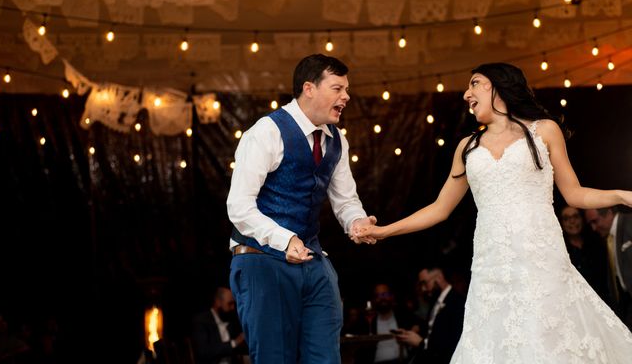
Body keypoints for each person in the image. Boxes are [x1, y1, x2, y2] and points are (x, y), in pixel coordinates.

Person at [355, 62, 632, 362]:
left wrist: (620, 195)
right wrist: (383, 230)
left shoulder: (544, 131)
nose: (466, 94)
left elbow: (574, 193)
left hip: (542, 264)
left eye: (474, 84)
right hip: (491, 271)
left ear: (497, 86)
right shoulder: (468, 147)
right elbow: (439, 208)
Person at [227, 54, 377, 364]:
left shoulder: (337, 140)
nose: (346, 97)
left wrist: (357, 222)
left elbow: (346, 200)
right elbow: (239, 206)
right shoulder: (266, 132)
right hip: (262, 260)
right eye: (338, 88)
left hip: (311, 260)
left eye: (347, 89)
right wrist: (284, 239)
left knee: (325, 356)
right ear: (309, 88)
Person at [394, 268, 465, 364]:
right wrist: (410, 333)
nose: (423, 289)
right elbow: (433, 328)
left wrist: (420, 343)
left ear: (439, 278)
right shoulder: (435, 300)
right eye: (421, 285)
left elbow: (451, 343)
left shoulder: (458, 302)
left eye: (425, 283)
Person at [585, 207, 632, 329]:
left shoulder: (629, 222)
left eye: (595, 221)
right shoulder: (609, 238)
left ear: (609, 213)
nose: (594, 228)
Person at [558, 205, 608, 300]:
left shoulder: (596, 242)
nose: (572, 221)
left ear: (582, 219)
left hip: (604, 298)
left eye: (575, 216)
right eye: (566, 218)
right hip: (579, 301)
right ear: (561, 223)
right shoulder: (560, 251)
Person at [191, 287, 246, 364]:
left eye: (234, 304)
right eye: (230, 303)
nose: (233, 307)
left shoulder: (230, 319)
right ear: (218, 302)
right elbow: (203, 351)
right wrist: (235, 342)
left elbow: (239, 348)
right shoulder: (201, 321)